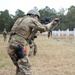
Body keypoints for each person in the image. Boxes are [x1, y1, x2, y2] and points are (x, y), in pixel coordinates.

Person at [7, 9, 60, 75]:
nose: (37, 20)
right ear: (35, 16)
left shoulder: (19, 19)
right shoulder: (31, 20)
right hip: (19, 47)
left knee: (20, 67)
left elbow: (25, 33)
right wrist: (52, 23)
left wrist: (35, 31)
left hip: (10, 47)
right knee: (27, 68)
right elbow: (44, 28)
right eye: (37, 18)